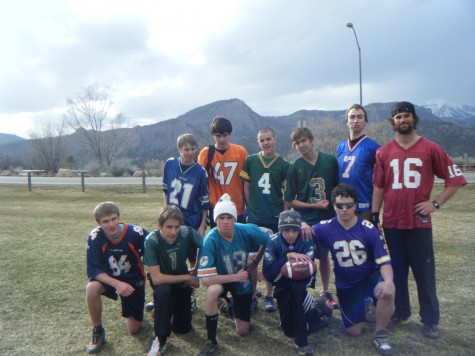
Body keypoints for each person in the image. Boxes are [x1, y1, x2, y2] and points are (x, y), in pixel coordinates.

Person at [371, 101, 467, 339]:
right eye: (398, 117)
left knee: (424, 274)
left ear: (414, 119)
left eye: (406, 116)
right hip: (393, 221)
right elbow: (379, 186)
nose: (403, 120)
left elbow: (454, 180)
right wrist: (375, 215)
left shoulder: (430, 148)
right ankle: (401, 311)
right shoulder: (383, 151)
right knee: (397, 272)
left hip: (418, 223)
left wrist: (434, 203)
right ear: (392, 121)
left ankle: (430, 319)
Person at [312, 184, 395, 355]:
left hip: (369, 278)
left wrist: (388, 281)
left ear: (355, 205)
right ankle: (354, 306)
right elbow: (304, 232)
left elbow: (385, 261)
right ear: (333, 206)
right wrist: (304, 225)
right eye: (339, 205)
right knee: (353, 332)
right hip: (347, 285)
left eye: (349, 205)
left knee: (389, 290)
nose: (344, 209)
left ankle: (380, 333)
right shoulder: (326, 227)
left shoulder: (368, 228)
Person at [197, 193, 270, 356]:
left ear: (234, 219)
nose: (225, 221)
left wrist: (257, 261)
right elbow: (206, 280)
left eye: (228, 217)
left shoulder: (247, 230)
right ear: (215, 219)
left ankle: (229, 306)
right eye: (221, 217)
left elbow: (268, 240)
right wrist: (235, 277)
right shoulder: (210, 239)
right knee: (211, 292)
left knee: (243, 331)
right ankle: (211, 340)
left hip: (241, 282)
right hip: (222, 279)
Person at [284, 126, 340, 309]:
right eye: (297, 143)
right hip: (306, 220)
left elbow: (338, 190)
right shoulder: (295, 168)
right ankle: (302, 293)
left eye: (303, 140)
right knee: (304, 257)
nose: (301, 145)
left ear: (311, 140)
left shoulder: (330, 161)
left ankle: (325, 290)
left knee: (324, 255)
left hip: (327, 219)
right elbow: (290, 200)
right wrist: (312, 207)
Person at [263, 210, 331, 356]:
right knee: (288, 330)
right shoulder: (272, 241)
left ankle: (302, 342)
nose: (291, 234)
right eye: (286, 230)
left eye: (294, 230)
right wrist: (288, 257)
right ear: (280, 229)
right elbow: (268, 274)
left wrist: (291, 267)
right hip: (282, 286)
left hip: (301, 284)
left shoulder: (306, 239)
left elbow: (310, 270)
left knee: (297, 290)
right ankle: (318, 309)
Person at [85, 202, 149, 354]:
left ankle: (141, 306)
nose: (111, 224)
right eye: (105, 221)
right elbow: (95, 271)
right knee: (92, 288)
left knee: (134, 329)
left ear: (119, 218)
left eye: (114, 219)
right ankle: (98, 330)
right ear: (99, 223)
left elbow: (155, 249)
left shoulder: (135, 232)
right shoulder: (96, 237)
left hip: (133, 280)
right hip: (109, 279)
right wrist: (117, 284)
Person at [240, 127, 290, 313]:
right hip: (255, 215)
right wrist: (249, 206)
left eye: (269, 139)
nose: (266, 142)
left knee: (271, 258)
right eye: (262, 140)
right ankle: (252, 294)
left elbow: (287, 193)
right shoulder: (251, 160)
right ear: (258, 142)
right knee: (251, 258)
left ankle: (269, 295)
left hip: (274, 216)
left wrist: (284, 214)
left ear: (275, 139)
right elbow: (246, 186)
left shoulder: (284, 164)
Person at [143, 205, 203, 356]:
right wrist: (188, 277)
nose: (173, 232)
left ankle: (163, 309)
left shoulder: (186, 232)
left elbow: (206, 246)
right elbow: (156, 278)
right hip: (163, 282)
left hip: (181, 281)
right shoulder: (152, 241)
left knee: (182, 329)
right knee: (163, 292)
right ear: (159, 224)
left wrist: (196, 269)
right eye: (169, 227)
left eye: (177, 227)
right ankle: (160, 339)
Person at [198, 117, 248, 228]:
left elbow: (246, 182)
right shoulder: (206, 153)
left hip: (237, 205)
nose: (221, 139)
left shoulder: (240, 151)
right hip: (215, 206)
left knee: (238, 240)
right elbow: (200, 183)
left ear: (230, 134)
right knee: (218, 241)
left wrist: (248, 205)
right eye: (218, 136)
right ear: (213, 135)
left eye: (225, 135)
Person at [336, 104, 380, 221]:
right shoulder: (340, 147)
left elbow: (379, 183)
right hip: (343, 205)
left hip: (363, 206)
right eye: (352, 117)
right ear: (347, 122)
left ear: (365, 122)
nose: (355, 120)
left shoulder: (374, 147)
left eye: (360, 117)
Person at [162, 133, 209, 237]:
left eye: (193, 149)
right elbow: (165, 191)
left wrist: (202, 226)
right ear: (179, 149)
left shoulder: (200, 172)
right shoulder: (169, 164)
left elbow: (204, 203)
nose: (190, 152)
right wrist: (165, 212)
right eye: (186, 149)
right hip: (172, 219)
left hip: (191, 221)